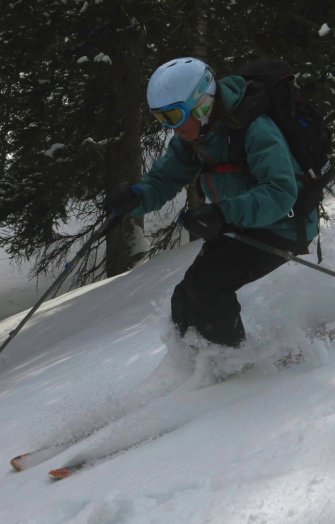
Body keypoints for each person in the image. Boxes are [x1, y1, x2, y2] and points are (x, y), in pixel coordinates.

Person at [105, 57, 319, 348]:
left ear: (202, 104)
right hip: (240, 221)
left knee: (206, 287)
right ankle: (190, 363)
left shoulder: (255, 129)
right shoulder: (195, 137)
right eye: (162, 119)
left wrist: (221, 211)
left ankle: (230, 368)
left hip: (284, 225)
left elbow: (281, 191)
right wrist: (136, 198)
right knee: (185, 295)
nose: (173, 128)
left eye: (175, 116)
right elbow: (164, 179)